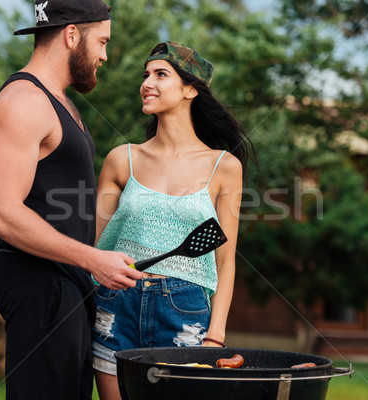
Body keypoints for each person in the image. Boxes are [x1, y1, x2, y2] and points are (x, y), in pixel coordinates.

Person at [0, 1, 143, 399]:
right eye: (102, 41)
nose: (105, 54)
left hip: (65, 284)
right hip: (41, 286)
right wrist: (93, 260)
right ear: (72, 35)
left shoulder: (59, 101)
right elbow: (2, 213)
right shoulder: (23, 102)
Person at [91, 41, 254, 400]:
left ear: (190, 89)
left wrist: (215, 337)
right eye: (145, 75)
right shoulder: (121, 160)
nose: (147, 83)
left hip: (184, 311)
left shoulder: (224, 167)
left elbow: (225, 263)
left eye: (160, 74)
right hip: (117, 304)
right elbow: (94, 249)